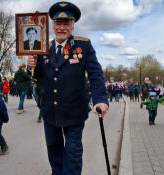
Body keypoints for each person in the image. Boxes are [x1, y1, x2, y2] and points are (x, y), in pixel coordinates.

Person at [27, 2, 109, 174]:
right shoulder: (43, 48)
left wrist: (100, 100)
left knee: (72, 153)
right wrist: (31, 66)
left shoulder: (83, 46)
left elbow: (95, 74)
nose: (62, 27)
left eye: (66, 24)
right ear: (53, 25)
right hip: (50, 111)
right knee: (54, 151)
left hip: (74, 111)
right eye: (58, 23)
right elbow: (38, 75)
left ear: (72, 26)